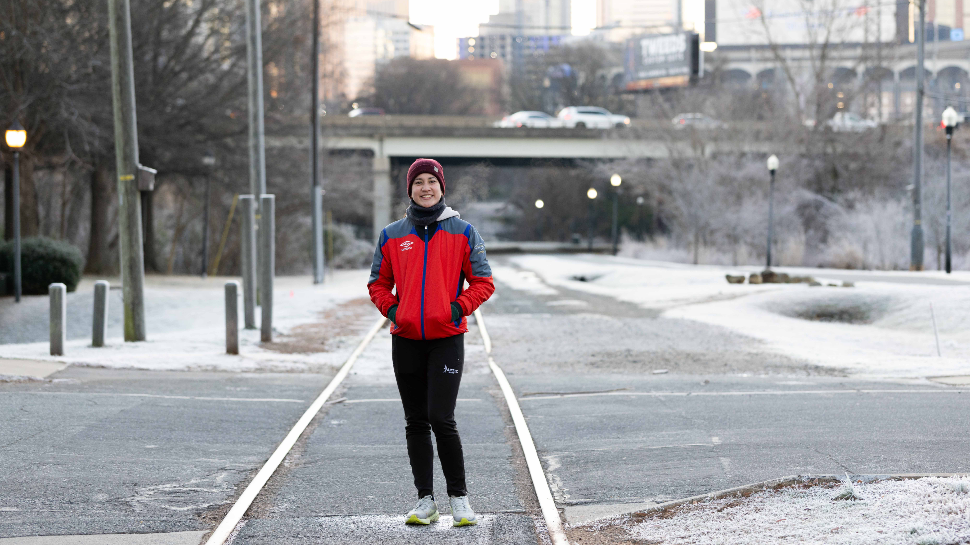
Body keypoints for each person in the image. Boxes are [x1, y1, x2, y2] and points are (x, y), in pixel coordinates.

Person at [367, 158, 495, 527]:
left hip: (447, 339)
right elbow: (378, 283)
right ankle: (425, 501)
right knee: (415, 421)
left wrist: (456, 309)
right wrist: (394, 312)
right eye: (418, 182)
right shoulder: (392, 235)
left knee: (442, 418)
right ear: (409, 189)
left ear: (442, 188)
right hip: (406, 339)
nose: (426, 187)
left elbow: (484, 282)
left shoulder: (463, 232)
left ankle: (459, 501)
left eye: (431, 182)